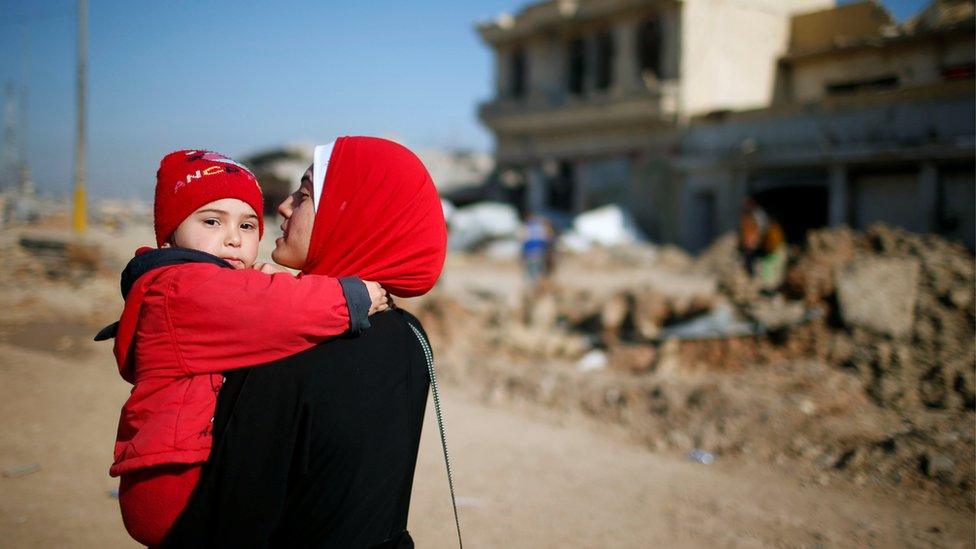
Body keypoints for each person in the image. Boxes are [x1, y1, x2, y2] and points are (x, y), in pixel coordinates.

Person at [164, 136, 447, 548]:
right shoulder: (408, 334)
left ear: (353, 215)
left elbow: (232, 514)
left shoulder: (288, 344)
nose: (283, 206)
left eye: (304, 194)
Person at [98, 150, 390, 547]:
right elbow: (280, 311)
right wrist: (356, 296)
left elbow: (257, 304)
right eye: (212, 221)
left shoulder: (197, 287)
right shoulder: (181, 286)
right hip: (176, 482)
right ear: (169, 235)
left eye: (248, 224)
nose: (234, 238)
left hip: (184, 470)